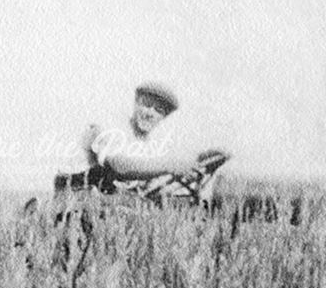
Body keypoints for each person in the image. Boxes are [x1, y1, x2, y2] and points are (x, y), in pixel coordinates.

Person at [58, 82, 228, 202]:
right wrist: (171, 166)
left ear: (164, 117)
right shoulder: (111, 125)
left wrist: (192, 165)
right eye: (146, 105)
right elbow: (119, 165)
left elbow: (144, 178)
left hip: (104, 201)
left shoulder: (144, 141)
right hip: (74, 199)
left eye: (159, 111)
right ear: (135, 103)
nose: (150, 113)